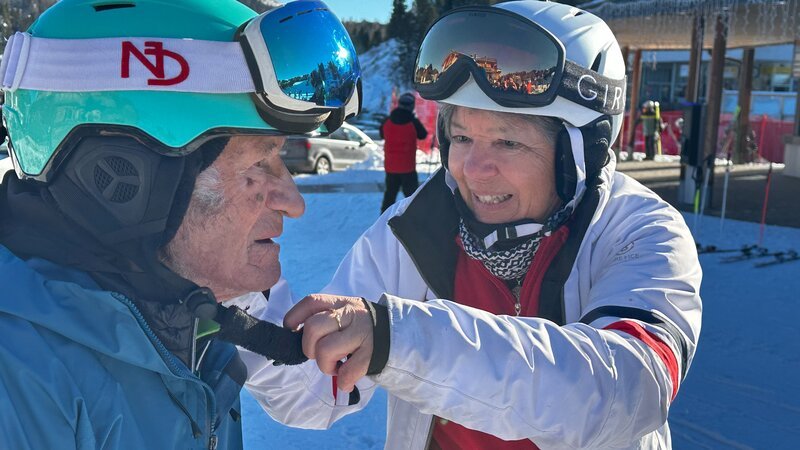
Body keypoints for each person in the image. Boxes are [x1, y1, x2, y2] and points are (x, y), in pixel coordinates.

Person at [269, 2, 702, 449]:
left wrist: (401, 339)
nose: (473, 170)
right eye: (461, 138)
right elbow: (310, 394)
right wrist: (241, 297)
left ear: (580, 152)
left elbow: (625, 394)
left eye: (508, 141)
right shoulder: (417, 228)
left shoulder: (640, 231)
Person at [0, 0, 371, 448]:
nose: (294, 203)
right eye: (259, 164)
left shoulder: (190, 328)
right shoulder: (19, 382)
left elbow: (314, 399)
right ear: (125, 182)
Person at [379, 92, 428, 213]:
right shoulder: (413, 122)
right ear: (412, 106)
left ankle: (383, 219)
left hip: (390, 167)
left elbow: (381, 134)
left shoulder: (387, 121)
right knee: (412, 198)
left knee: (389, 195)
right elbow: (423, 135)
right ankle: (415, 219)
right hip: (408, 167)